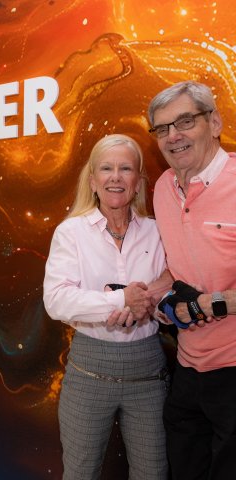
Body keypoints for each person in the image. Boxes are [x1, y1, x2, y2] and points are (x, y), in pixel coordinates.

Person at [43, 133, 171, 480]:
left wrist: (154, 305)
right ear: (93, 180)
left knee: (153, 473)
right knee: (81, 472)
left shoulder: (158, 232)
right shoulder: (71, 232)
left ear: (138, 181)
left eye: (125, 168)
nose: (116, 176)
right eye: (107, 168)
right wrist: (119, 300)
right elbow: (56, 300)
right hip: (87, 374)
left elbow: (169, 290)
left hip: (148, 373)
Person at [148, 80, 236, 480]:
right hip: (187, 369)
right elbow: (177, 262)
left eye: (185, 121)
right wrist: (161, 294)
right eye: (162, 128)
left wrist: (208, 304)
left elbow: (209, 297)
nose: (173, 136)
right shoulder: (164, 187)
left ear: (214, 122)